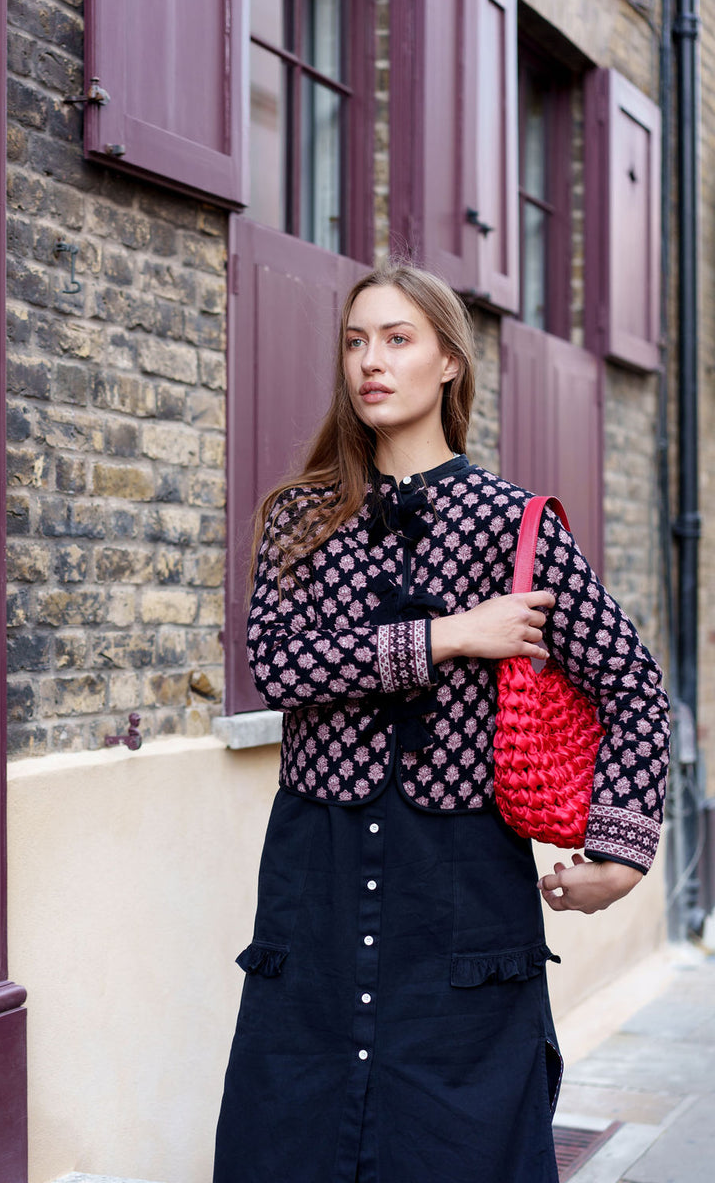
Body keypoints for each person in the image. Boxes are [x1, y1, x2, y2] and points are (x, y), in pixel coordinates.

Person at [213, 261, 670, 1183]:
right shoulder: (300, 520)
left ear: (450, 364)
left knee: (463, 1146)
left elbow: (633, 686)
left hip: (464, 886)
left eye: (396, 339)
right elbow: (279, 666)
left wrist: (620, 857)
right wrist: (454, 636)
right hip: (318, 871)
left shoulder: (516, 527)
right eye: (354, 342)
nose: (369, 363)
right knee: (291, 1133)